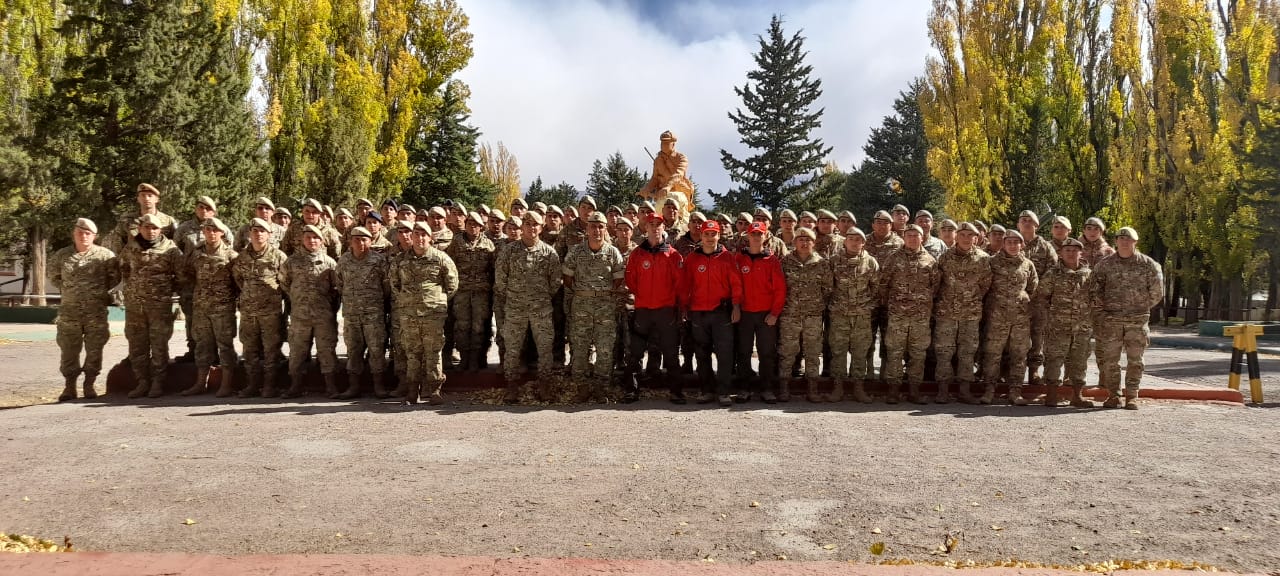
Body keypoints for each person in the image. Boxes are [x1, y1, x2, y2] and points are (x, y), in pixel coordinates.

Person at [1087, 227, 1164, 409]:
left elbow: (1157, 292)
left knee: (1135, 360)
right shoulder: (1105, 265)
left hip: (1137, 320)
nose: (1124, 242)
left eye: (1128, 239)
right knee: (1110, 361)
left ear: (1135, 242)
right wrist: (1104, 310)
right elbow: (1094, 289)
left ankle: (1131, 395)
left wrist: (1139, 307)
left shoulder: (1148, 264)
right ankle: (1113, 395)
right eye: (1121, 239)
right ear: (1116, 241)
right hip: (1111, 320)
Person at [495, 212, 562, 403]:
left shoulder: (549, 253)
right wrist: (515, 296)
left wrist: (539, 297)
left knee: (544, 349)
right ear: (522, 227)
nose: (531, 228)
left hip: (541, 309)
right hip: (515, 308)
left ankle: (545, 385)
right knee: (513, 349)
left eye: (536, 224)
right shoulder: (509, 251)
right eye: (528, 224)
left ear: (541, 228)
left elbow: (555, 282)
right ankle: (512, 387)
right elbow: (501, 279)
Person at [51, 218, 119, 401]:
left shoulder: (105, 256)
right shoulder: (61, 255)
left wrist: (96, 293)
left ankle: (89, 384)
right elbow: (54, 277)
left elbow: (114, 278)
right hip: (69, 312)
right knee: (68, 351)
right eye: (80, 233)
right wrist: (71, 291)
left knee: (95, 349)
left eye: (87, 233)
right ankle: (69, 387)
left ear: (94, 236)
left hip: (95, 312)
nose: (83, 236)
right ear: (74, 234)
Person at [391, 222, 459, 405]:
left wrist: (437, 300)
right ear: (411, 237)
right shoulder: (400, 260)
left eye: (424, 235)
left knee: (433, 352)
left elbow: (452, 285)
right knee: (412, 352)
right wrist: (407, 301)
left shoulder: (441, 258)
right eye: (417, 234)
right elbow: (394, 284)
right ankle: (413, 391)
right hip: (409, 315)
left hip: (433, 314)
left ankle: (435, 390)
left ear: (430, 238)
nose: (420, 238)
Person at [563, 212, 626, 402]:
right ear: (587, 229)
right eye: (593, 226)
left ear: (605, 229)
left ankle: (601, 388)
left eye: (600, 226)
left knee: (605, 349)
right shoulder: (575, 251)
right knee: (580, 348)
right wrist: (583, 291)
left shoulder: (612, 252)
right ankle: (581, 387)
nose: (597, 230)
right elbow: (567, 277)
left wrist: (602, 292)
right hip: (581, 304)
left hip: (605, 306)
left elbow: (618, 278)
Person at [120, 214, 184, 398]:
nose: (151, 231)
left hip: (159, 306)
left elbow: (181, 276)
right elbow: (123, 269)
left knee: (159, 345)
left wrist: (165, 290)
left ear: (160, 230)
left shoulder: (171, 250)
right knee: (137, 345)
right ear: (140, 228)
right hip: (135, 307)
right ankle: (142, 382)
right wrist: (133, 288)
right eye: (147, 227)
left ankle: (157, 382)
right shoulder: (130, 248)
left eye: (155, 228)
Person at [624, 213, 685, 403]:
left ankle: (676, 391)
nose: (655, 228)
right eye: (651, 225)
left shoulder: (673, 255)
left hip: (665, 311)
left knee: (671, 353)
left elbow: (680, 283)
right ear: (646, 228)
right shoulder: (637, 254)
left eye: (659, 224)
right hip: (643, 310)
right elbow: (631, 280)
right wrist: (642, 295)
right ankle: (632, 390)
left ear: (663, 228)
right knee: (635, 352)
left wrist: (675, 305)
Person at [682, 219, 743, 406]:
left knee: (724, 354)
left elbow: (736, 284)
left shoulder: (727, 258)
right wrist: (684, 307)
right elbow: (685, 286)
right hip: (699, 312)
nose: (710, 238)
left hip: (721, 313)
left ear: (719, 235)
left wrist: (736, 306)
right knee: (702, 353)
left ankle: (723, 391)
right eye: (706, 234)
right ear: (701, 235)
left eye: (713, 234)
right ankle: (706, 390)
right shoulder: (692, 259)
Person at [878, 225, 940, 404]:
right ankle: (893, 390)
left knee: (918, 354)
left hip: (920, 317)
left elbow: (935, 287)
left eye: (916, 235)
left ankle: (914, 390)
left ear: (922, 238)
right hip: (898, 316)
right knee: (895, 353)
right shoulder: (893, 258)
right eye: (909, 235)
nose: (913, 238)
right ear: (904, 237)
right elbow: (884, 285)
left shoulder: (930, 261)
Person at [178, 217, 240, 397]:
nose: (211, 233)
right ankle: (200, 383)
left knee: (225, 346)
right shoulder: (195, 254)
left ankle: (227, 384)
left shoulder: (231, 256)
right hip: (201, 308)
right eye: (207, 230)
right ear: (203, 232)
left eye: (215, 230)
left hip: (223, 309)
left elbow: (238, 281)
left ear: (221, 232)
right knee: (202, 345)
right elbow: (188, 275)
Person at [933, 222, 991, 403]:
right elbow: (936, 283)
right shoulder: (944, 257)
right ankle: (943, 390)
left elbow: (985, 285)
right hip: (947, 313)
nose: (966, 239)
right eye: (963, 235)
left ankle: (964, 390)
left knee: (967, 352)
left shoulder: (983, 259)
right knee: (944, 352)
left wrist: (969, 299)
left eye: (970, 235)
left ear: (977, 238)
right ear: (956, 236)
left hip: (970, 313)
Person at [280, 225, 340, 399]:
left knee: (326, 351)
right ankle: (295, 386)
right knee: (297, 352)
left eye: (315, 238)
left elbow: (336, 290)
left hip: (323, 316)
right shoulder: (291, 262)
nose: (312, 241)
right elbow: (284, 283)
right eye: (308, 237)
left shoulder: (329, 263)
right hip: (300, 316)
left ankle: (331, 386)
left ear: (321, 241)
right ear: (302, 240)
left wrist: (329, 308)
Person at [231, 218, 288, 398]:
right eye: (255, 231)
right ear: (249, 234)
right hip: (248, 312)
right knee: (249, 349)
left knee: (271, 350)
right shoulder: (242, 257)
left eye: (262, 231)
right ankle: (252, 385)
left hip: (270, 312)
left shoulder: (279, 256)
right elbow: (238, 279)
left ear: (269, 235)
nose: (258, 234)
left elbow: (285, 283)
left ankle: (270, 386)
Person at [981, 230, 1039, 405]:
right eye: (1009, 242)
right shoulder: (991, 263)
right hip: (996, 317)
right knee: (992, 355)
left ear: (1022, 244)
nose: (1013, 245)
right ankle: (989, 390)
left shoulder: (1027, 265)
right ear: (1004, 244)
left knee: (1019, 356)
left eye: (1016, 242)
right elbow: (984, 286)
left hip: (1020, 319)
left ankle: (1015, 391)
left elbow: (1033, 288)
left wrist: (1020, 302)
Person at [1036, 237, 1094, 408]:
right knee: (1054, 359)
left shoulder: (1089, 275)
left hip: (1081, 326)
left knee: (1079, 360)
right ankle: (1051, 395)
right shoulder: (1052, 274)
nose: (1070, 253)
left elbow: (1095, 297)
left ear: (1080, 252)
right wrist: (1052, 315)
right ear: (1061, 253)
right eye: (1067, 250)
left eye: (1074, 250)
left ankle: (1077, 396)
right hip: (1057, 326)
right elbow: (1042, 296)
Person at [335, 226, 391, 399]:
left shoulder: (379, 260)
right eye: (356, 239)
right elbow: (339, 283)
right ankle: (353, 387)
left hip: (373, 314)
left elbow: (387, 286)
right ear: (350, 241)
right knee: (353, 350)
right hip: (351, 315)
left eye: (364, 239)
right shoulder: (343, 261)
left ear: (371, 241)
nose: (360, 242)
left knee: (376, 350)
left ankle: (379, 387)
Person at [778, 227, 832, 402]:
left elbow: (828, 289)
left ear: (813, 243)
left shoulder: (822, 263)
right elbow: (779, 288)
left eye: (808, 239)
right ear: (794, 242)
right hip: (790, 315)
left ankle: (812, 388)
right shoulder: (785, 262)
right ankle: (784, 387)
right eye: (800, 239)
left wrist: (816, 305)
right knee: (787, 351)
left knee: (812, 352)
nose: (804, 242)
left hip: (813, 316)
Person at [735, 221, 785, 403]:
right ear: (747, 236)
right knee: (743, 351)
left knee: (766, 353)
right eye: (753, 234)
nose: (756, 237)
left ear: (765, 236)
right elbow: (734, 286)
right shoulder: (739, 259)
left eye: (760, 234)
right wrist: (736, 307)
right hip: (745, 314)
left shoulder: (772, 261)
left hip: (766, 315)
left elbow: (780, 289)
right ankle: (744, 388)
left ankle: (766, 388)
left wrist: (774, 313)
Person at [828, 228, 879, 403]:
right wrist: (834, 307)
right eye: (851, 239)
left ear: (863, 243)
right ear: (845, 241)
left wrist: (866, 307)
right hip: (839, 315)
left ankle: (859, 388)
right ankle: (838, 387)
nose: (854, 242)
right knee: (838, 351)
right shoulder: (833, 261)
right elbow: (828, 287)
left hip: (861, 317)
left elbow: (877, 289)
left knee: (860, 353)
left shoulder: (870, 262)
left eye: (858, 239)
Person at [445, 212, 497, 372]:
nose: (472, 227)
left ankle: (475, 359)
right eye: (470, 224)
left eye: (476, 224)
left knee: (479, 327)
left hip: (481, 293)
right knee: (462, 326)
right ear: (465, 225)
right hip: (462, 292)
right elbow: (449, 263)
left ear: (481, 227)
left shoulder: (488, 245)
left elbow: (492, 268)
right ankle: (464, 358)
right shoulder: (456, 241)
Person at [1017, 210, 1058, 389]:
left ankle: (1033, 370)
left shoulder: (1045, 247)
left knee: (1037, 337)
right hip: (1015, 302)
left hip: (1039, 301)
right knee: (1016, 338)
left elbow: (1053, 272)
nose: (1026, 223)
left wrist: (1039, 292)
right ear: (1018, 224)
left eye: (1030, 221)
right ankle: (1011, 372)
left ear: (1037, 225)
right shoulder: (1012, 242)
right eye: (1023, 220)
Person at [107, 183, 177, 253]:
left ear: (157, 199)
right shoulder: (127, 220)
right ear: (138, 199)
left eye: (150, 196)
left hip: (161, 259)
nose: (146, 198)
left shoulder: (169, 221)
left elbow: (174, 245)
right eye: (143, 195)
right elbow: (117, 244)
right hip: (134, 260)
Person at [638, 130, 695, 210]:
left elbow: (678, 174)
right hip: (662, 196)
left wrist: (668, 187)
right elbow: (655, 178)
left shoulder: (681, 158)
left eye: (666, 143)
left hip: (678, 192)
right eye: (662, 143)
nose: (663, 145)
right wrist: (647, 188)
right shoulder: (658, 160)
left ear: (673, 144)